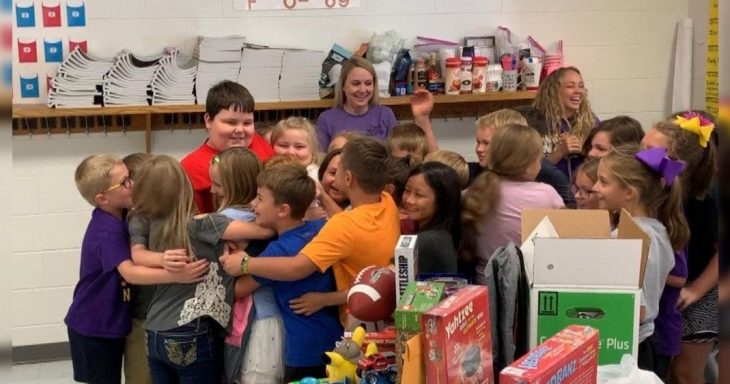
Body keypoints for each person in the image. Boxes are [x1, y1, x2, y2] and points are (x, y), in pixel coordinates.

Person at [220, 137, 401, 327]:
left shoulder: (342, 226)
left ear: (348, 178)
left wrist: (245, 264)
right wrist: (321, 195)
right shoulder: (386, 201)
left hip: (359, 321)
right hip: (385, 309)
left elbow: (297, 267)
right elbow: (354, 226)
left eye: (338, 168)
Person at [65, 154, 207, 384]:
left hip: (112, 323)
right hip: (93, 327)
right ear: (102, 198)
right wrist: (175, 274)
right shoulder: (106, 230)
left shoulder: (122, 215)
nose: (132, 185)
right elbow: (130, 272)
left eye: (129, 177)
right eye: (124, 182)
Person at [131, 155, 272, 383]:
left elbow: (136, 255)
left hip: (154, 329)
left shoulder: (144, 222)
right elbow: (266, 232)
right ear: (186, 188)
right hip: (190, 329)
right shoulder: (204, 223)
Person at [230, 164, 342, 383]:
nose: (254, 204)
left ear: (282, 210)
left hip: (303, 350)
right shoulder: (320, 228)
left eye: (260, 198)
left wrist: (236, 259)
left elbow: (238, 289)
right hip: (333, 338)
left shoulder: (277, 251)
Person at [593, 144, 690, 376]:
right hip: (645, 342)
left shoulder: (628, 238)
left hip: (630, 348)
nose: (596, 188)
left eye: (604, 182)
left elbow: (639, 310)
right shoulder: (657, 230)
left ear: (630, 193)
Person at [641, 113, 719, 384]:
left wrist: (696, 290)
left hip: (705, 285)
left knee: (685, 372)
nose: (640, 156)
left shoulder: (705, 199)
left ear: (676, 162)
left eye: (649, 151)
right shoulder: (653, 188)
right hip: (670, 287)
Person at [461, 124, 564, 284]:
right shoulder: (546, 194)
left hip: (484, 284)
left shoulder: (474, 192)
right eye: (539, 158)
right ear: (530, 162)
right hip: (529, 285)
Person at [181, 80, 274, 214]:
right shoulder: (190, 169)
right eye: (231, 122)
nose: (240, 130)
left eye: (247, 123)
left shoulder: (260, 144)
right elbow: (194, 224)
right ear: (208, 120)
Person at [469, 109, 574, 207]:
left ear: (511, 142)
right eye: (478, 142)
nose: (479, 149)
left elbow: (572, 214)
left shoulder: (548, 175)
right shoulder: (476, 173)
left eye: (486, 143)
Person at [516, 66, 598, 180]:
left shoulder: (590, 121)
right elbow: (526, 172)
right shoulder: (533, 122)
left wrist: (583, 151)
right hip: (545, 192)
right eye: (570, 86)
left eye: (581, 86)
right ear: (553, 91)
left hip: (580, 193)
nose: (578, 91)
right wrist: (560, 152)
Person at [121, 152, 155, 384]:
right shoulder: (129, 219)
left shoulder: (169, 216)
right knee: (140, 375)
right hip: (140, 315)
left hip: (160, 314)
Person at [402, 162, 461, 275]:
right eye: (407, 190)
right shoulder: (444, 232)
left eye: (419, 195)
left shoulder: (427, 241)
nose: (409, 200)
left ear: (441, 201)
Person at [270, 116, 323, 181]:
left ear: (312, 150)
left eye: (299, 147)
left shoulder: (316, 180)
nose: (290, 152)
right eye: (283, 145)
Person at [316, 148, 349, 218]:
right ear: (322, 175)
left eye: (346, 176)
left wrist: (322, 195)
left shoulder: (360, 209)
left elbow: (346, 225)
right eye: (333, 173)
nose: (338, 181)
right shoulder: (307, 201)